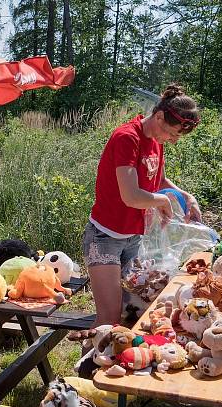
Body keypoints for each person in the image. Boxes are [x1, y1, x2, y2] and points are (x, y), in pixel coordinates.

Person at [83, 84, 202, 327]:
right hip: (104, 237)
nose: (173, 141)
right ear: (159, 117)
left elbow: (158, 180)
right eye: (173, 134)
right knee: (109, 317)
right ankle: (87, 362)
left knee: (132, 315)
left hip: (133, 238)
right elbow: (131, 196)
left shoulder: (156, 141)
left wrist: (184, 195)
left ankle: (119, 360)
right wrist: (162, 200)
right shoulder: (127, 137)